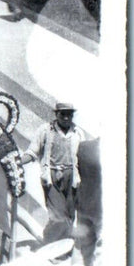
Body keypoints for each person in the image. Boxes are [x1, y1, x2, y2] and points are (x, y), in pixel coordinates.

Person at [21, 103, 86, 243]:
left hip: (72, 177)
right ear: (56, 114)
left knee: (69, 216)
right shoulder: (45, 130)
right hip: (52, 176)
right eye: (63, 114)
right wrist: (18, 162)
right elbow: (32, 151)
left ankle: (63, 248)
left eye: (70, 114)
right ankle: (49, 242)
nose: (66, 117)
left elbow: (84, 157)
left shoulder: (78, 132)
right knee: (57, 217)